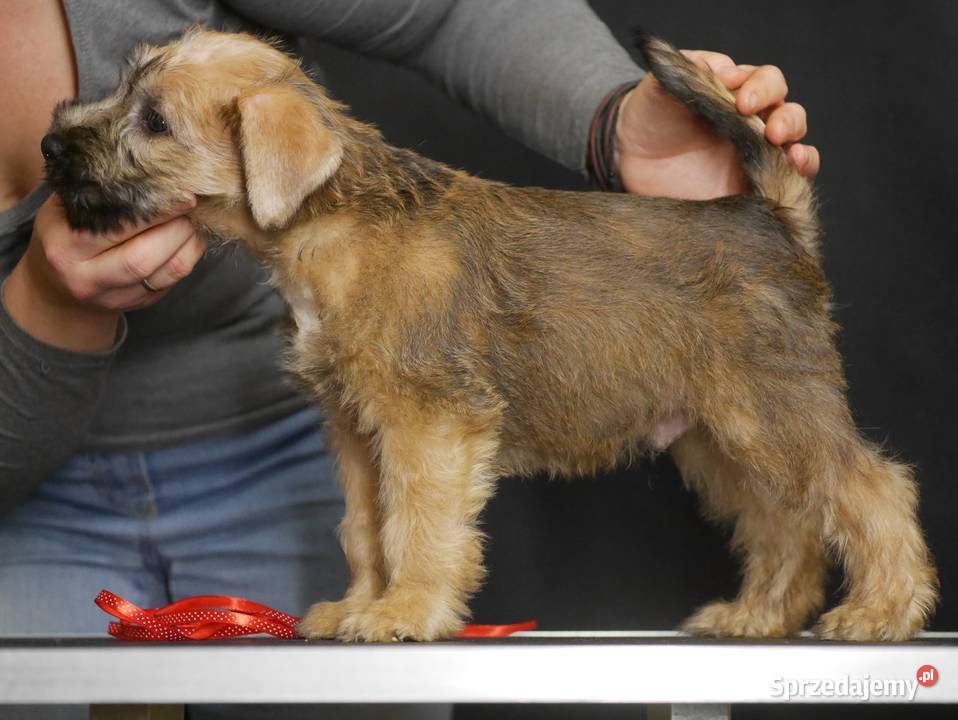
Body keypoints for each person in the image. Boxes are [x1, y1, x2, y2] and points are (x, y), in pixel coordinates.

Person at [0, 0, 817, 716]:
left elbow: (443, 6)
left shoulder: (369, 260)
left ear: (272, 153)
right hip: (29, 495)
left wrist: (609, 124)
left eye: (148, 116)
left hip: (271, 458)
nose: (70, 132)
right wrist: (42, 303)